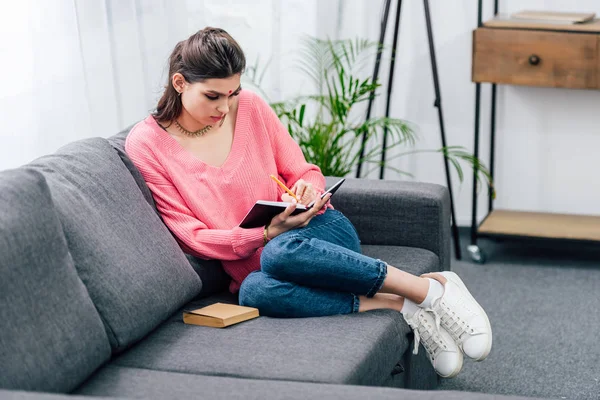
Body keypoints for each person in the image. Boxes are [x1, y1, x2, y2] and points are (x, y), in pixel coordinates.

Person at [125, 27, 492, 379]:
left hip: (320, 231)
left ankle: (430, 291)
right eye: (213, 96)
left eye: (233, 93)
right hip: (262, 261)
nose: (225, 106)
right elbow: (193, 236)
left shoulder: (249, 107)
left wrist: (306, 191)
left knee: (279, 252)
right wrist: (266, 234)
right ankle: (404, 305)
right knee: (254, 290)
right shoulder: (146, 144)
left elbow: (305, 170)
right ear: (180, 83)